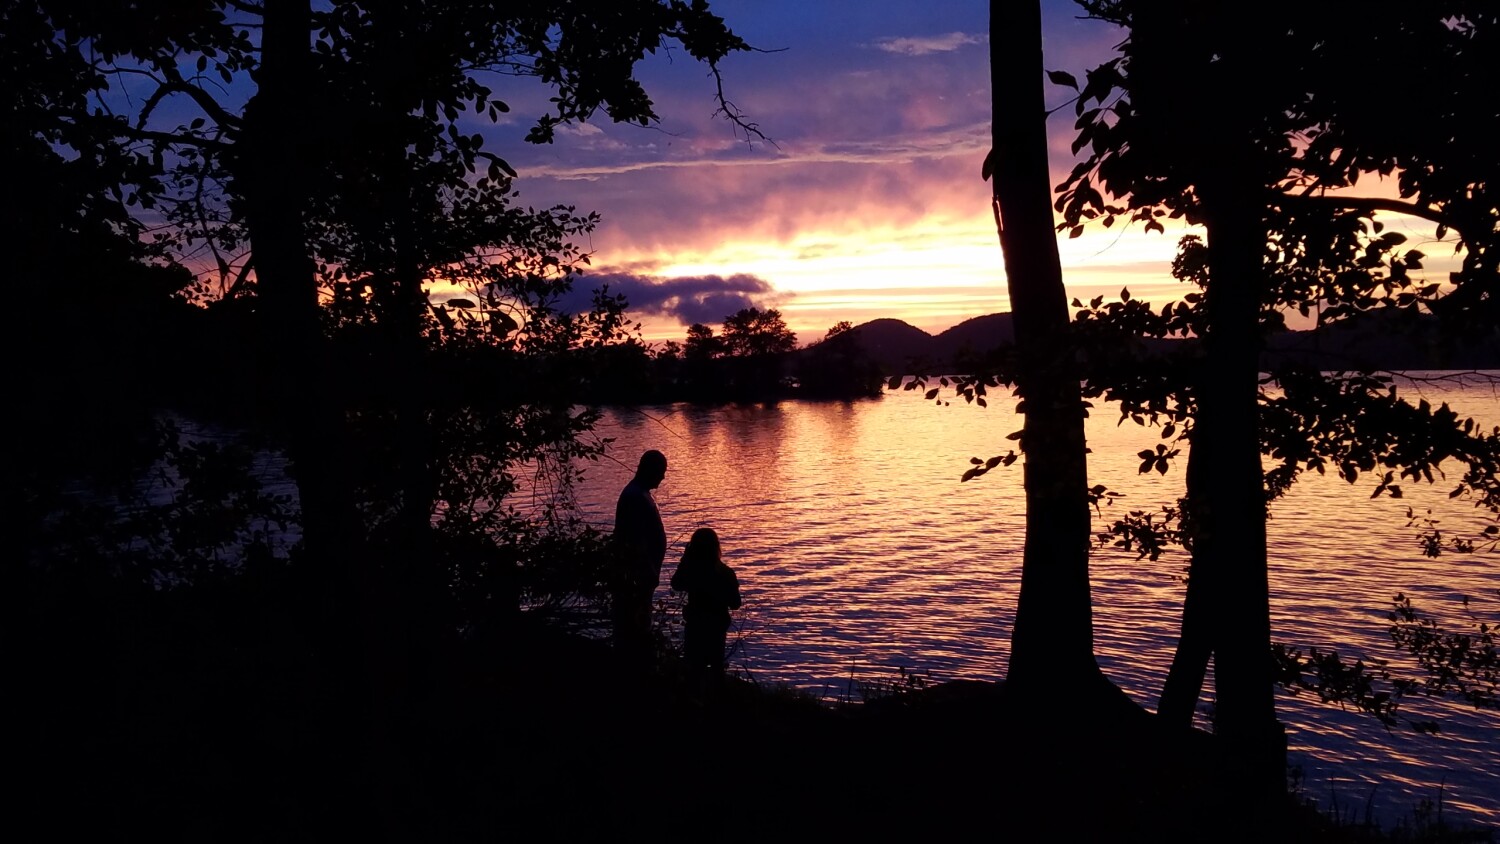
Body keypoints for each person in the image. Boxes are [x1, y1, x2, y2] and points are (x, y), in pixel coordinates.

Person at [610, 449, 668, 665]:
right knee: (634, 626)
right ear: (649, 470)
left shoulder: (640, 494)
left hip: (642, 577)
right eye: (661, 471)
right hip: (636, 578)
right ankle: (634, 669)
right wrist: (648, 570)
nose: (663, 476)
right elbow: (634, 540)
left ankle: (637, 665)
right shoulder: (635, 497)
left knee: (639, 624)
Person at [669, 527, 742, 686]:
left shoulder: (692, 572)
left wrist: (685, 559)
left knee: (693, 672)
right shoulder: (726, 573)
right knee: (716, 672)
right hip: (716, 629)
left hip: (695, 627)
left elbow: (676, 583)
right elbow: (736, 603)